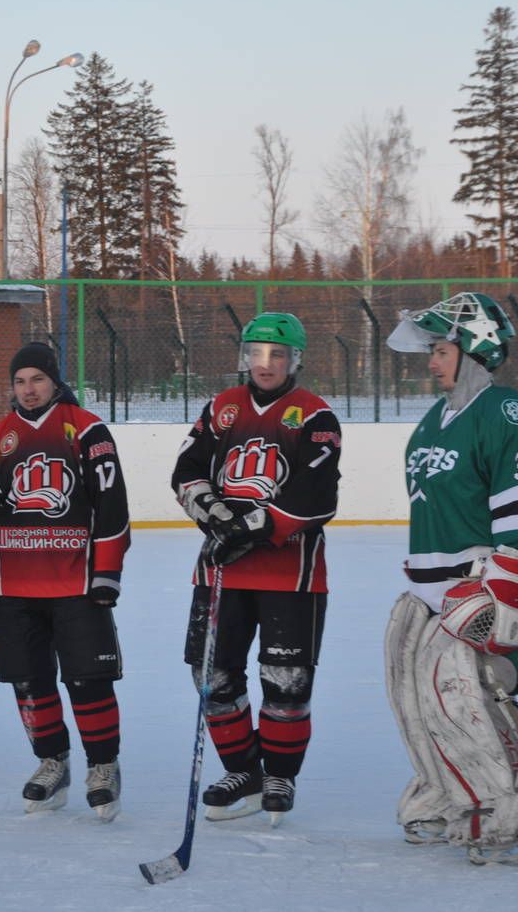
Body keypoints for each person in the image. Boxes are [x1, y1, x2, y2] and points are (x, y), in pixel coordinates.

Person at [382, 292, 518, 864]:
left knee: (466, 695)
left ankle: (510, 806)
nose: (431, 362)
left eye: (439, 350)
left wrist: (512, 583)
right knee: (414, 696)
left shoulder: (505, 410)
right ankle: (447, 791)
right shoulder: (436, 417)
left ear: (473, 346)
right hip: (428, 588)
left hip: (478, 586)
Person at [171, 312, 340, 824]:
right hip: (220, 572)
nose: (266, 364)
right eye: (257, 353)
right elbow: (187, 470)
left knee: (285, 679)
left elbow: (317, 495)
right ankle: (242, 769)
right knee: (213, 674)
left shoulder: (315, 416)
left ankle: (279, 775)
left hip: (291, 574)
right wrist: (215, 516)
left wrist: (247, 528)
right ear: (244, 355)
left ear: (295, 360)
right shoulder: (222, 408)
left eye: (278, 354)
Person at [0, 343, 131, 820]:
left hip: (76, 584)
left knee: (87, 679)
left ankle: (104, 766)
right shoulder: (1, 437)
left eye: (37, 379)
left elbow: (111, 505)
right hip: (14, 588)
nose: (28, 389)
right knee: (28, 679)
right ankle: (52, 761)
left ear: (55, 381)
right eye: (20, 381)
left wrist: (106, 573)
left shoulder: (85, 427)